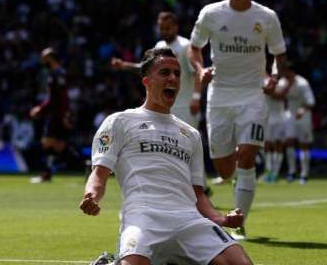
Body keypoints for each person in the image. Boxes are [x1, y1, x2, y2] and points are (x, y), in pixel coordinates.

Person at [81, 47, 253, 265]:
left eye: (177, 73)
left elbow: (198, 194)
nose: (172, 78)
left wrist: (220, 218)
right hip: (144, 217)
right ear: (147, 81)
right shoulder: (120, 121)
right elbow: (100, 174)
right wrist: (91, 196)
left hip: (189, 219)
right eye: (164, 72)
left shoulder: (190, 134)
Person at [187, 0, 288, 240]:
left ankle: (237, 222)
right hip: (219, 95)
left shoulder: (267, 17)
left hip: (253, 95)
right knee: (224, 167)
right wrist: (200, 69)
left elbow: (279, 56)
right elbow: (194, 49)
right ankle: (236, 185)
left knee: (246, 155)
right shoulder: (211, 13)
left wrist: (274, 77)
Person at [111, 11, 212, 196]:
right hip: (166, 107)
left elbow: (196, 72)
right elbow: (148, 70)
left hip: (185, 104)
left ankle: (201, 190)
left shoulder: (185, 45)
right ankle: (192, 189)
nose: (164, 31)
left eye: (168, 27)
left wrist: (196, 98)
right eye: (161, 28)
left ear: (176, 27)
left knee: (189, 147)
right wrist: (125, 65)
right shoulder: (159, 46)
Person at [29, 47, 73, 183]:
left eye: (44, 57)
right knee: (58, 145)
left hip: (57, 114)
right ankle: (87, 164)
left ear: (50, 58)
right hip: (57, 113)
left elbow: (62, 97)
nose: (42, 60)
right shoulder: (55, 73)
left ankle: (46, 174)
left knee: (47, 143)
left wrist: (64, 115)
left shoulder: (57, 74)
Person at [276, 64, 315, 184]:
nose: (284, 74)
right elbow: (278, 97)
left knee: (303, 145)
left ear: (292, 72)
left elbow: (311, 101)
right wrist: (288, 85)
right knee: (289, 142)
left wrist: (302, 110)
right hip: (290, 116)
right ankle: (292, 172)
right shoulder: (283, 82)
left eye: (286, 72)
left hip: (304, 116)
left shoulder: (303, 83)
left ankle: (304, 174)